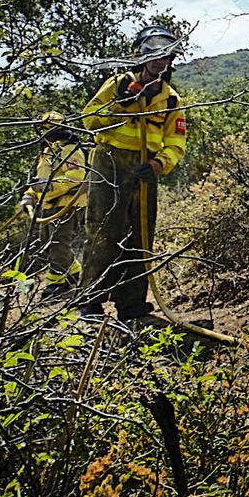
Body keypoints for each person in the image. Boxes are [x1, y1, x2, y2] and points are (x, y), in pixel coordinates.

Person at [76, 24, 187, 322]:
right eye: (155, 55)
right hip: (109, 164)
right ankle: (90, 301)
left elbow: (177, 142)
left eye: (166, 57)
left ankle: (131, 304)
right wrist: (118, 105)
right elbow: (89, 119)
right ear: (142, 55)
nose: (160, 62)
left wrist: (158, 165)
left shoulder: (171, 99)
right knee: (103, 231)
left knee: (140, 237)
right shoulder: (117, 84)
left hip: (144, 170)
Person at [20, 111, 88, 294]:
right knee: (46, 243)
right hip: (49, 205)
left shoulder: (69, 149)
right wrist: (29, 195)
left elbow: (75, 177)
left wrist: (49, 187)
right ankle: (73, 272)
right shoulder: (47, 152)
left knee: (58, 243)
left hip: (68, 204)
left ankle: (56, 284)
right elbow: (39, 180)